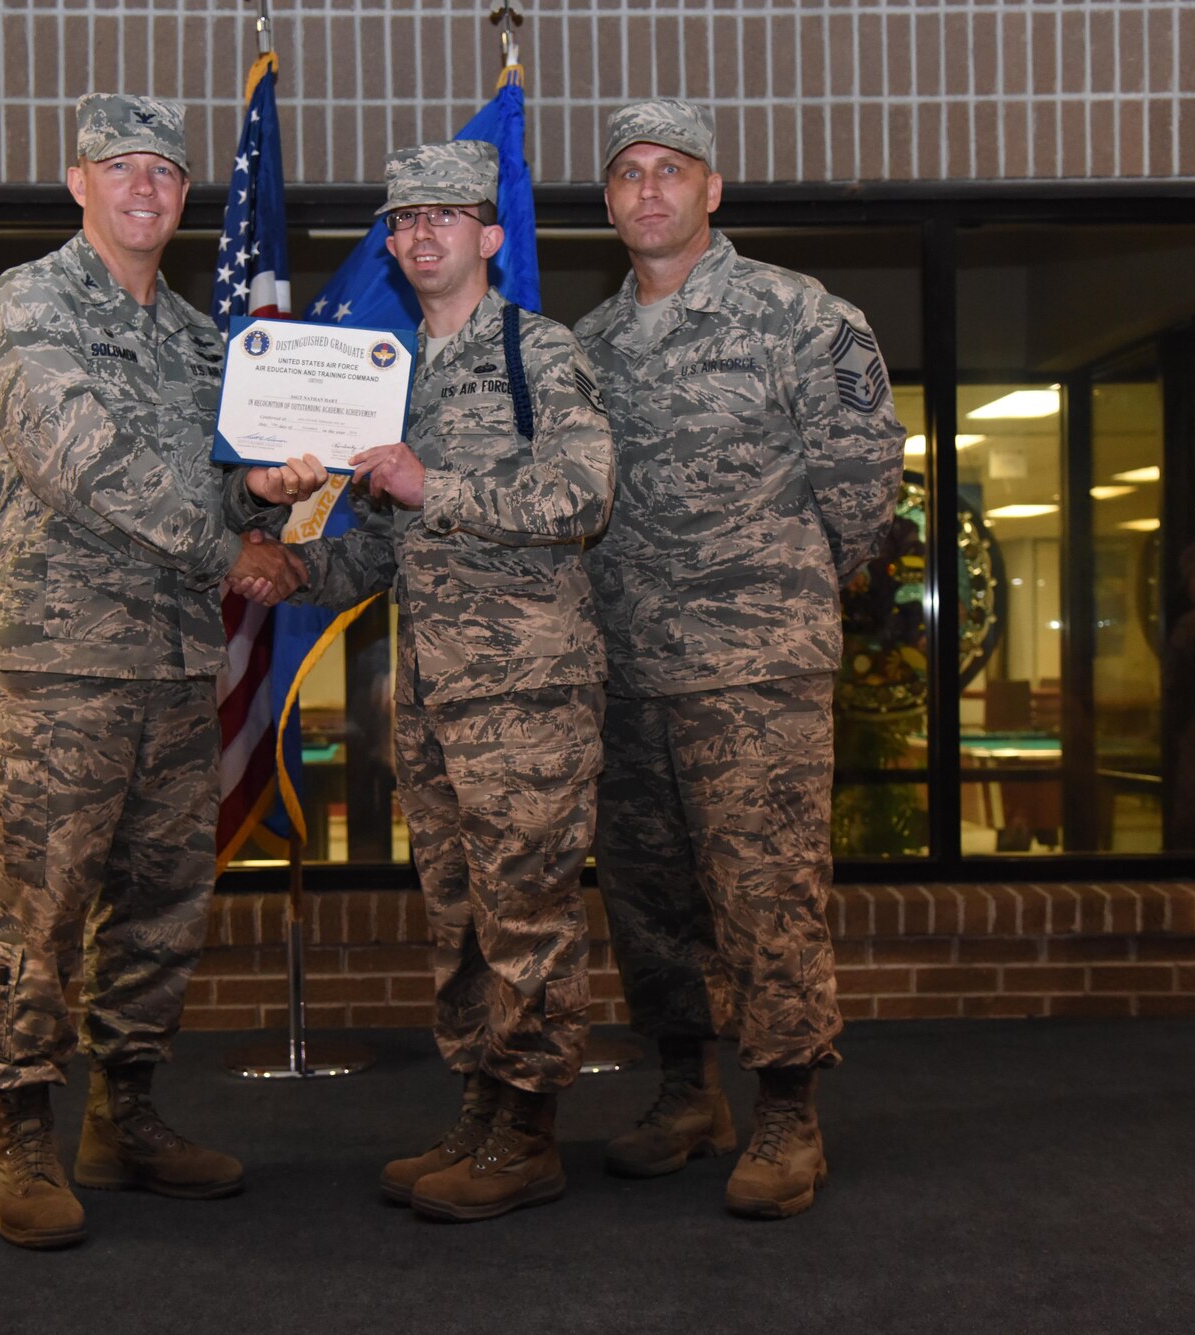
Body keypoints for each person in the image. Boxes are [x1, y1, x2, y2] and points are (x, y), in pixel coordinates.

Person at [0, 92, 325, 1250]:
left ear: (183, 198)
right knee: (41, 900)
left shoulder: (194, 339)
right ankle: (17, 1130)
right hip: (60, 665)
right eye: (118, 168)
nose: (143, 190)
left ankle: (124, 1115)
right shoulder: (31, 303)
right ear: (78, 183)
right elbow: (84, 461)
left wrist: (260, 495)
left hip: (176, 663)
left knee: (163, 905)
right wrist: (234, 544)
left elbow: (214, 479)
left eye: (163, 176)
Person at [235, 139, 614, 1223]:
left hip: (529, 694)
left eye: (445, 215)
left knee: (527, 911)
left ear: (489, 238)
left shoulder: (539, 354)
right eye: (403, 221)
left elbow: (584, 497)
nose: (421, 235)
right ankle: (480, 1107)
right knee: (455, 913)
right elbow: (387, 548)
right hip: (432, 697)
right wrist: (296, 566)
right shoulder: (387, 376)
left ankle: (531, 1132)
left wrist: (429, 481)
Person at [574, 100, 905, 1219]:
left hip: (753, 671)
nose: (649, 188)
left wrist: (771, 592)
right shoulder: (586, 348)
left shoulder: (801, 318)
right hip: (624, 671)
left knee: (766, 896)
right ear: (609, 200)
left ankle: (784, 1112)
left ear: (711, 189)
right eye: (627, 173)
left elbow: (862, 486)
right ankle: (683, 1091)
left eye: (672, 169)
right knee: (647, 900)